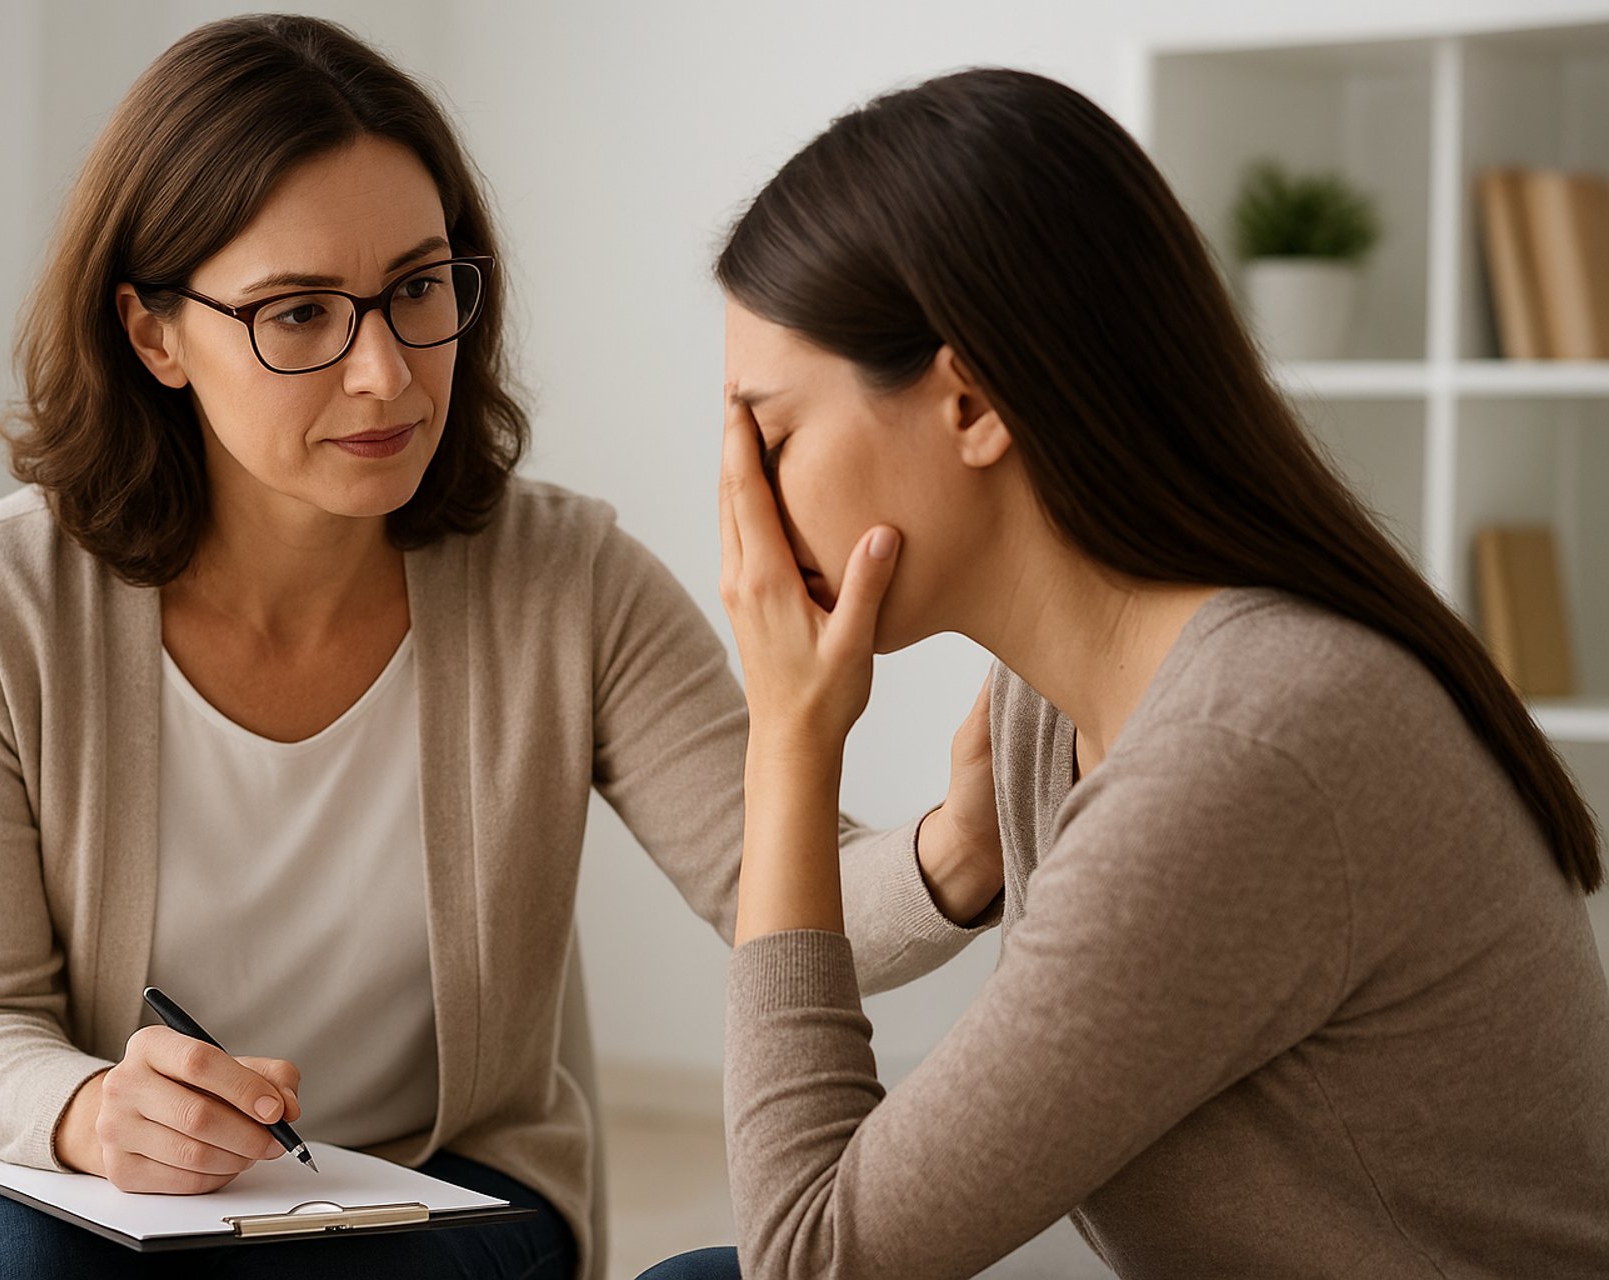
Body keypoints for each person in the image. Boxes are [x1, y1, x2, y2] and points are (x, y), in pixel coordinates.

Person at [0, 18, 996, 1280]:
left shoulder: (567, 580)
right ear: (153, 335)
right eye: (299, 314)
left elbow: (785, 892)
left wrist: (966, 838)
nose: (386, 374)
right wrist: (91, 1112)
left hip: (434, 1173)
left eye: (418, 289)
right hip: (18, 1160)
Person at [643, 67, 1609, 1280]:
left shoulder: (1245, 748)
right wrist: (962, 841)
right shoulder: (1075, 699)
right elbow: (812, 917)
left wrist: (792, 737)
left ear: (972, 399)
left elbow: (809, 1254)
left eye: (767, 437)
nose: (742, 505)